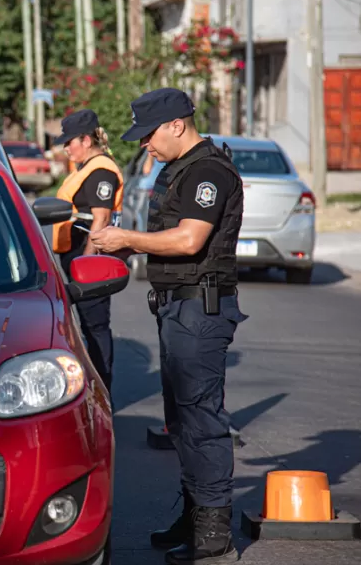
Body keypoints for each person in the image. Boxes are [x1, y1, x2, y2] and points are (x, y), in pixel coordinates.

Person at [89, 88, 247, 564]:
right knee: (181, 421)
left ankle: (214, 530)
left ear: (177, 124)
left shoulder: (207, 171)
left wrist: (128, 239)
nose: (144, 146)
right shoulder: (179, 167)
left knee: (202, 419)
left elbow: (189, 239)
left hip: (200, 309)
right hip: (178, 308)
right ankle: (196, 512)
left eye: (148, 135)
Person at [51, 108, 124, 396]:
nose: (66, 147)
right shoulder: (86, 168)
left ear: (86, 139)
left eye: (70, 141)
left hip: (88, 258)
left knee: (95, 327)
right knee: (86, 326)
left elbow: (101, 218)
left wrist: (87, 262)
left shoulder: (101, 170)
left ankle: (102, 392)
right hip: (79, 256)